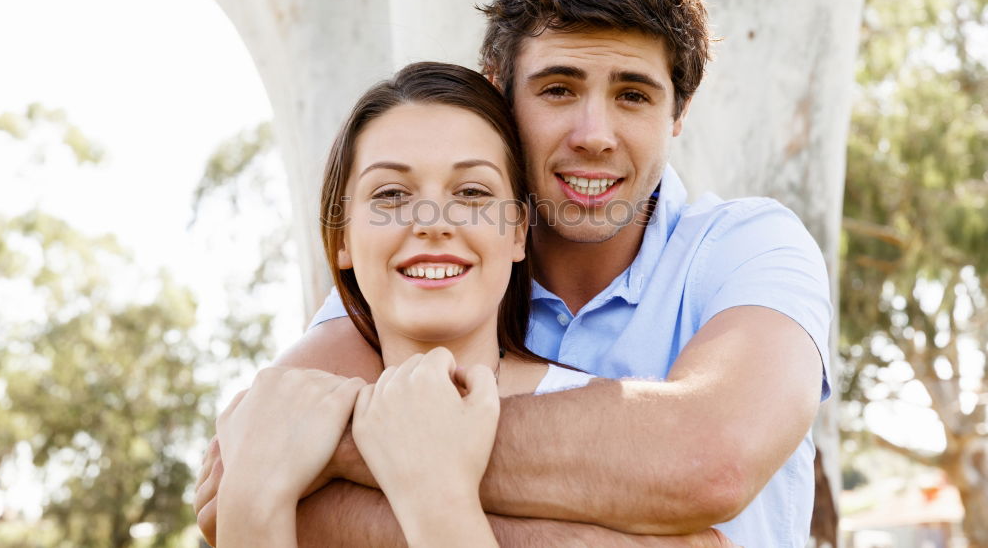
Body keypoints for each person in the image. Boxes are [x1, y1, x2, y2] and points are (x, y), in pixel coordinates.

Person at [196, 0, 831, 546]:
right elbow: (236, 484)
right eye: (558, 89)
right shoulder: (427, 267)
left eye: (633, 95)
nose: (594, 134)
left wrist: (358, 446)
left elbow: (710, 462)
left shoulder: (750, 247)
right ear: (499, 92)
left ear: (678, 112)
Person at [212, 62, 729, 546]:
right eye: (390, 194)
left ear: (519, 233)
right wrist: (252, 500)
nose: (433, 222)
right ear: (342, 237)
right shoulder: (276, 426)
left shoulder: (605, 426)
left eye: (474, 192)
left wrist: (435, 498)